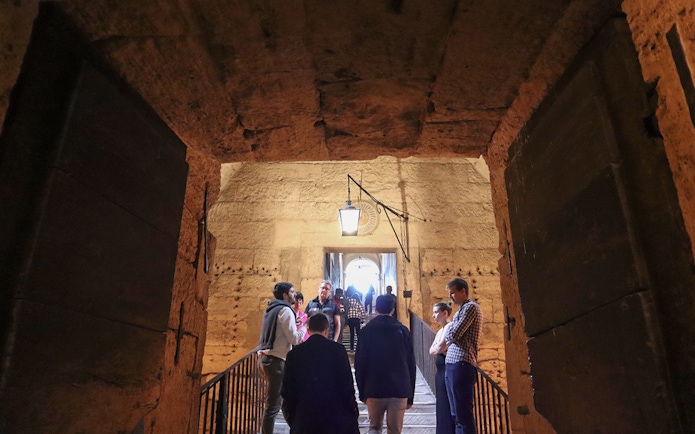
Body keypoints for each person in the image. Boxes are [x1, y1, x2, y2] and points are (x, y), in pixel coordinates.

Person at [281, 314, 359, 434]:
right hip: (335, 418)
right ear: (327, 330)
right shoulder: (338, 351)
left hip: (305, 418)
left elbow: (288, 391)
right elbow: (346, 385)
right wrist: (352, 412)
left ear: (308, 329)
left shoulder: (294, 354)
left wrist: (293, 419)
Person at [355, 295, 416, 434]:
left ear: (376, 310)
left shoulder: (366, 331)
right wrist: (410, 394)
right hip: (399, 388)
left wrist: (362, 391)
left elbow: (360, 364)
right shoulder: (402, 330)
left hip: (374, 388)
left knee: (374, 429)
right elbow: (411, 363)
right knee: (394, 430)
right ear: (393, 310)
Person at [257, 282, 306, 434]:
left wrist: (295, 322)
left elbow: (279, 331)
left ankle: (297, 428)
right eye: (292, 292)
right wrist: (305, 325)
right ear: (285, 295)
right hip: (276, 361)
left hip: (265, 359)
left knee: (285, 399)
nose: (294, 294)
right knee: (272, 406)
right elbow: (295, 339)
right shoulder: (285, 310)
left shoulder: (272, 308)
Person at [444, 278, 483, 434]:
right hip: (453, 363)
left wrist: (450, 334)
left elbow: (455, 333)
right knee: (456, 413)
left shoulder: (471, 308)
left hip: (462, 362)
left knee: (463, 414)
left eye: (453, 293)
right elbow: (451, 334)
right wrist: (450, 334)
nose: (451, 296)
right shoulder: (461, 309)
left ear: (463, 291)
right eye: (450, 293)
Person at [429, 302, 455, 434]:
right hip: (440, 372)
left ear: (445, 313)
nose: (433, 316)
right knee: (442, 404)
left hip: (446, 369)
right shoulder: (440, 331)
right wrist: (437, 348)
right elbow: (431, 349)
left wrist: (438, 348)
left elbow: (439, 348)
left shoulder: (450, 327)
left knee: (447, 403)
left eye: (436, 312)